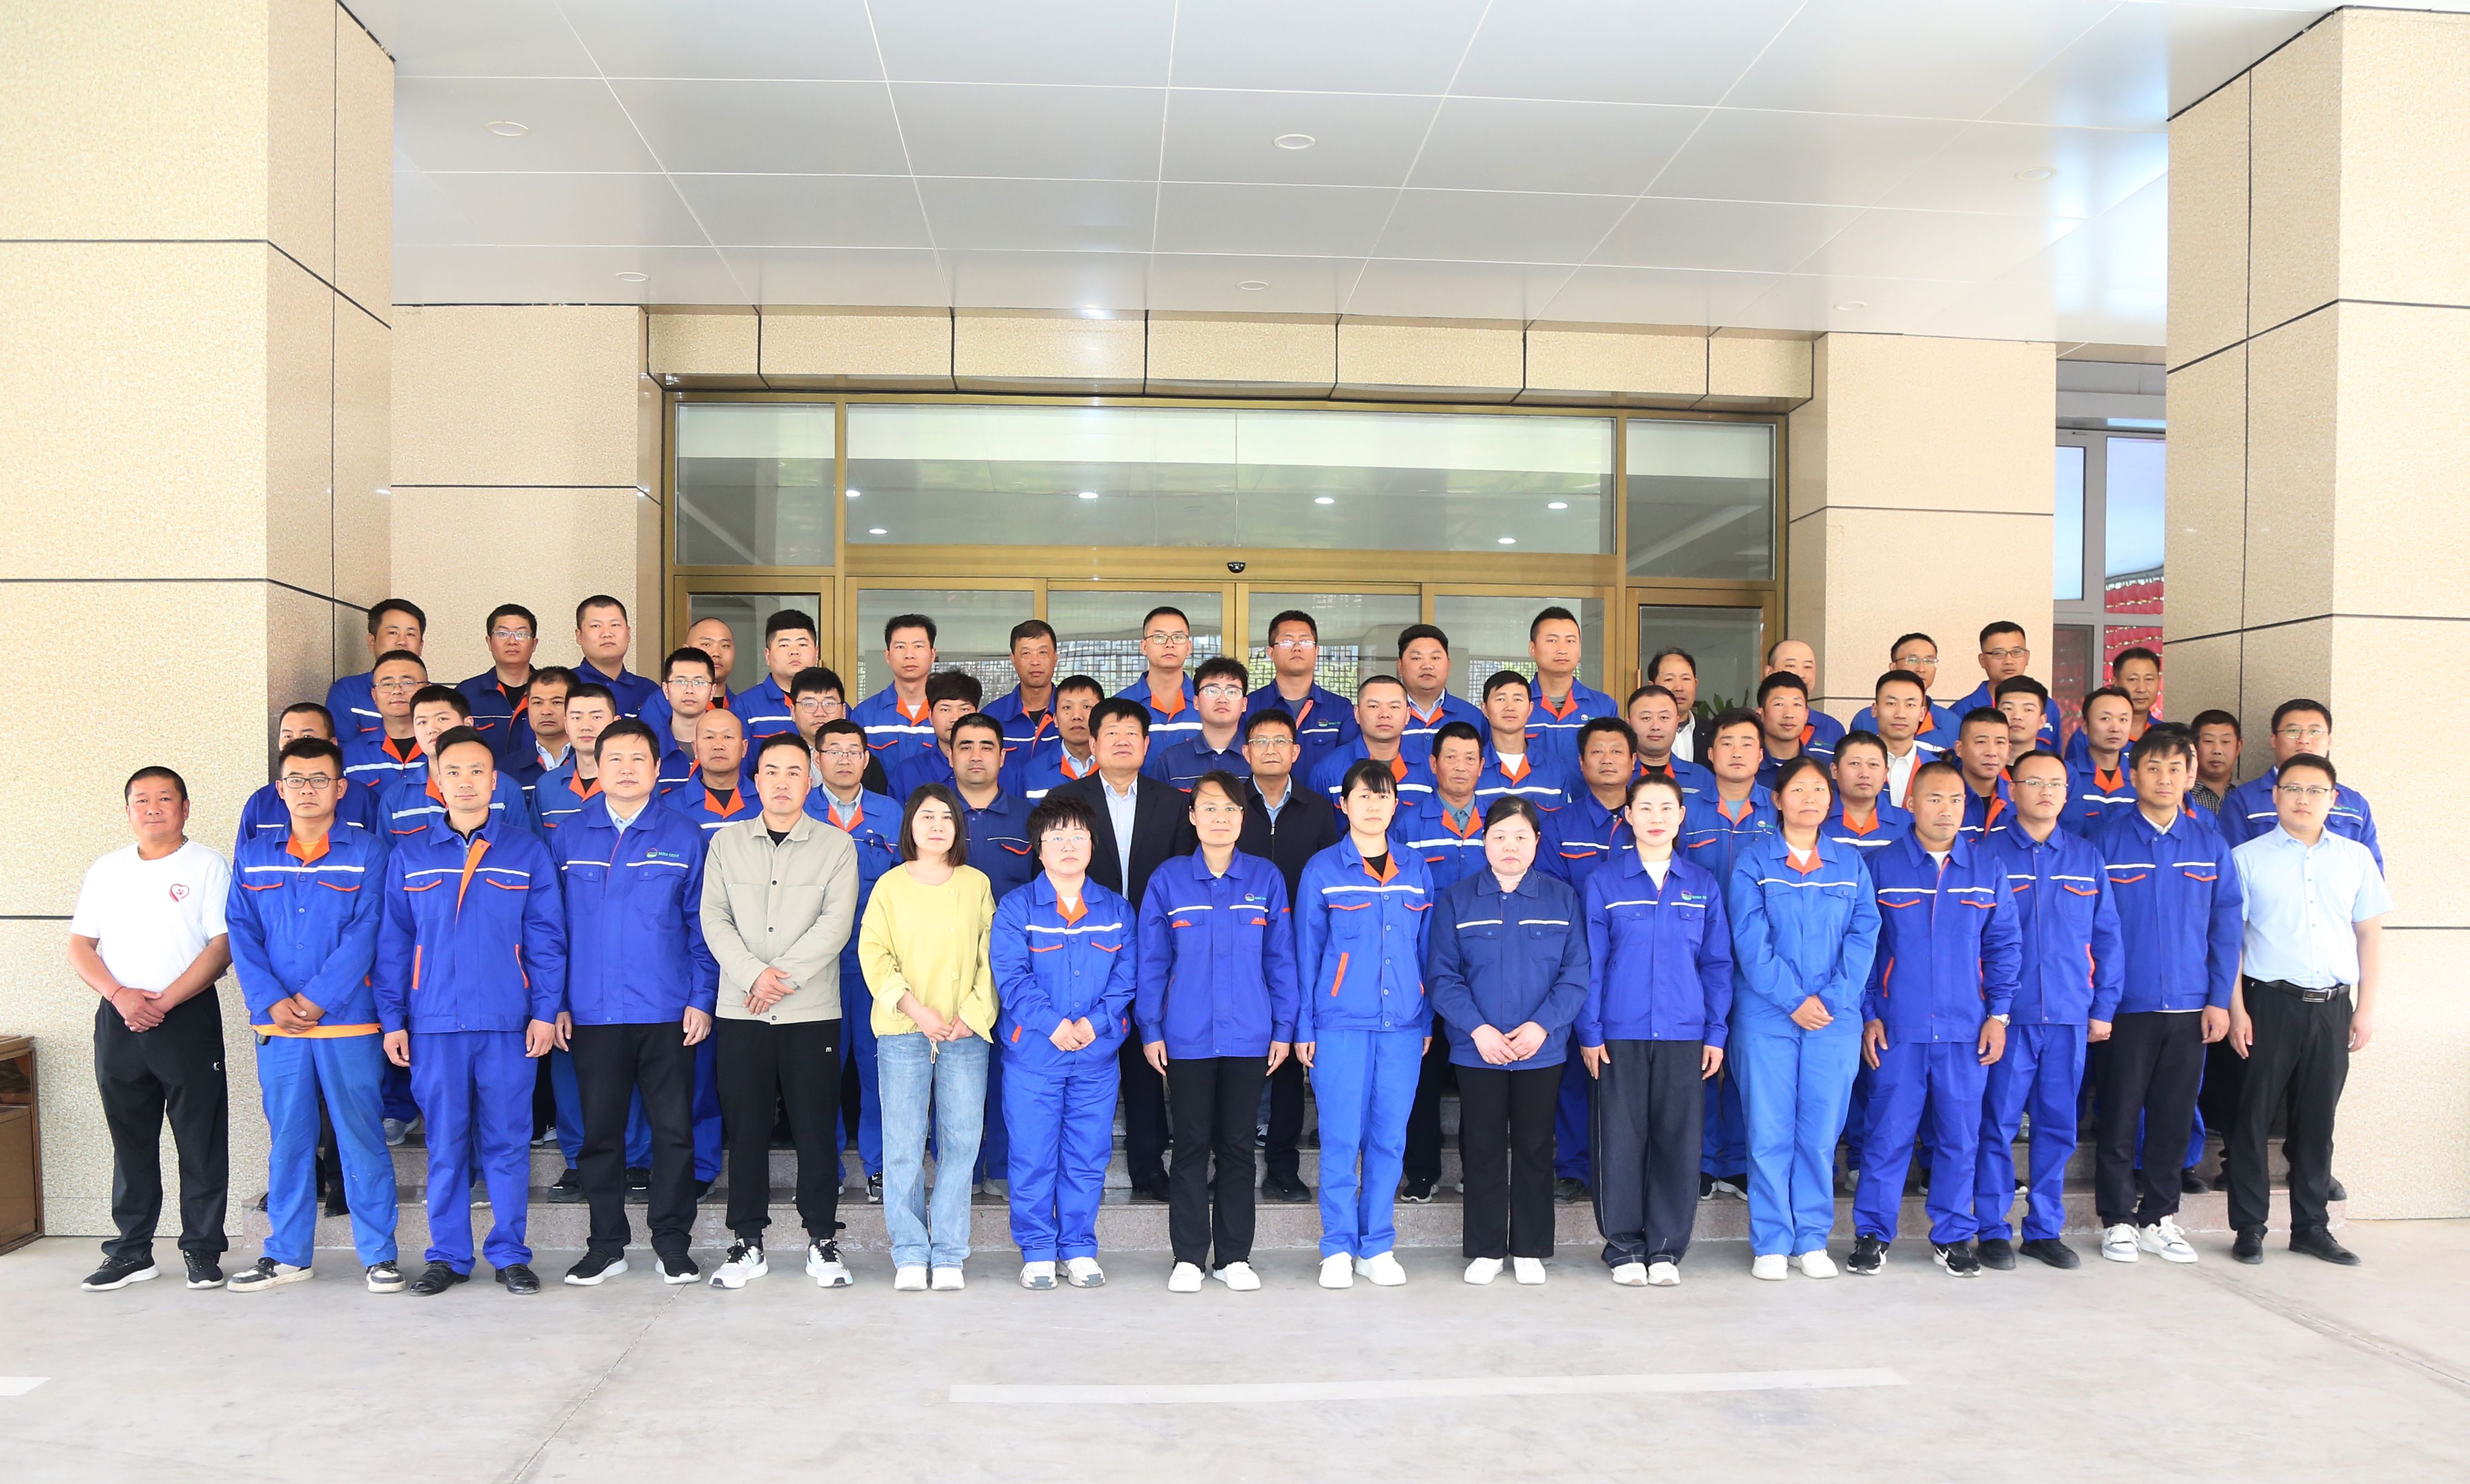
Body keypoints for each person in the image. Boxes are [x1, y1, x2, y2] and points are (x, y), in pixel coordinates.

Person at [374, 727, 564, 1297]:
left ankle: (510, 1254)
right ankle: (449, 1255)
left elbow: (547, 939)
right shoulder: (410, 854)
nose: (465, 782)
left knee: (507, 1142)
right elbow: (393, 945)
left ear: (495, 781)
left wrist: (544, 1011)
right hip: (434, 1024)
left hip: (508, 1023)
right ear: (437, 781)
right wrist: (393, 1020)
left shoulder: (526, 852)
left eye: (477, 771)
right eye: (453, 771)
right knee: (446, 1145)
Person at [222, 738, 398, 1293]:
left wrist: (320, 996)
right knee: (290, 1139)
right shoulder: (255, 853)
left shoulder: (369, 851)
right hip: (278, 1024)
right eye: (296, 779)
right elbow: (241, 930)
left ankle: (380, 1255)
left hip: (347, 1020)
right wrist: (271, 998)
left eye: (319, 779)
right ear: (280, 789)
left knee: (361, 1136)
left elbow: (369, 928)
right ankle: (287, 1254)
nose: (307, 789)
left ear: (340, 787)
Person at [546, 719, 717, 1287]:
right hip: (592, 1012)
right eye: (614, 758)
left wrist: (702, 997)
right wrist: (556, 1001)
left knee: (674, 1132)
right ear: (595, 765)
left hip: (668, 1011)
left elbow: (703, 925)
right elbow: (551, 929)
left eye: (638, 758)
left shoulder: (684, 835)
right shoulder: (570, 836)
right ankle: (606, 1244)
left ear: (657, 768)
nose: (625, 768)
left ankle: (672, 1243)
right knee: (600, 1135)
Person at [1848, 760, 2022, 1279]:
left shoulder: (1986, 869)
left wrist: (1999, 1014)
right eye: (1934, 798)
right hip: (1897, 1029)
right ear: (1910, 804)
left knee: (1959, 1137)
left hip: (1966, 1031)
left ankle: (1952, 1234)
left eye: (1955, 800)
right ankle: (1872, 1233)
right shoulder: (1881, 866)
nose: (1946, 810)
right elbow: (1864, 948)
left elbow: (2004, 946)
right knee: (1887, 1135)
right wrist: (1868, 1014)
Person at [701, 731, 860, 1292]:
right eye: (772, 771)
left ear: (810, 779)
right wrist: (753, 975)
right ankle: (747, 1240)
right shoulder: (726, 843)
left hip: (809, 1010)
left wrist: (778, 979)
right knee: (745, 1129)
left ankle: (822, 1237)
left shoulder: (836, 846)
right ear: (756, 779)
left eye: (794, 771)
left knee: (815, 1126)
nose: (782, 782)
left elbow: (835, 925)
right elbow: (713, 917)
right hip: (742, 1009)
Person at [69, 767, 235, 1292]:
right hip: (119, 1017)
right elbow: (80, 945)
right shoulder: (107, 869)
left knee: (200, 1138)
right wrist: (120, 995)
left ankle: (202, 1249)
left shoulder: (208, 864)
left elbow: (222, 945)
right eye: (141, 800)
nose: (153, 807)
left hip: (185, 1016)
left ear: (185, 807)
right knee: (130, 1138)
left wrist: (165, 1001)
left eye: (165, 798)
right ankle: (131, 1251)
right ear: (127, 811)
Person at [1138, 772, 1299, 1293]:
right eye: (1208, 808)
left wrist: (1283, 1026)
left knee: (1236, 1146)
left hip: (1249, 1034)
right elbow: (1152, 961)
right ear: (1192, 817)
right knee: (1189, 1145)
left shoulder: (1265, 879)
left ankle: (1233, 1257)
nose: (1220, 818)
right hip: (1185, 1035)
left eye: (1230, 808)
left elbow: (1280, 959)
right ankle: (1188, 1256)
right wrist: (1150, 1027)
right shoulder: (1167, 880)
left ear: (1243, 817)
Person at [2226, 753, 2387, 1266]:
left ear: (2332, 799)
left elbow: (2369, 935)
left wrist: (2365, 1008)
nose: (2303, 798)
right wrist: (2236, 1009)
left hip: (2333, 1006)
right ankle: (2249, 1227)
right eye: (2292, 788)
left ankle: (2311, 1227)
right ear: (2275, 796)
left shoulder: (2355, 859)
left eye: (2315, 790)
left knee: (2317, 1121)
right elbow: (2231, 943)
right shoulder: (2246, 858)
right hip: (2267, 1003)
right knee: (2251, 1118)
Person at [2091, 722, 2242, 1266]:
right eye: (2152, 767)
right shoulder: (2105, 840)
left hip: (2189, 1006)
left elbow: (2226, 928)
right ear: (2133, 775)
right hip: (2125, 1007)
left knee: (2174, 1116)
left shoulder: (2208, 843)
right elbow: (2091, 928)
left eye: (2174, 768)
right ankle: (2117, 1220)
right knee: (2119, 1116)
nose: (2163, 778)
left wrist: (2219, 999)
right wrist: (2100, 1003)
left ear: (2189, 775)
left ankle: (2159, 1216)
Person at [1727, 757, 1880, 1283]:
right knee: (1768, 1131)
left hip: (1833, 1019)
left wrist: (1832, 999)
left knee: (1819, 1133)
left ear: (1830, 799)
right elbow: (1749, 941)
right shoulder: (1753, 862)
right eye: (1797, 789)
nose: (1809, 798)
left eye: (1818, 789)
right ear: (1777, 799)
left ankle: (1810, 1238)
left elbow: (1864, 935)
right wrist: (1793, 999)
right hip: (1767, 1015)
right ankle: (1771, 1240)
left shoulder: (1849, 863)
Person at [1580, 773, 1733, 1286]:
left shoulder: (1701, 884)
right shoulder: (1604, 882)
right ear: (1627, 816)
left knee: (1677, 1142)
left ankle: (1666, 1248)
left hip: (1685, 1032)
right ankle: (1623, 1246)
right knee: (1619, 1141)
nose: (1655, 818)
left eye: (1666, 808)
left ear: (1681, 816)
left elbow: (1716, 965)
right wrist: (1590, 1031)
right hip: (1618, 1033)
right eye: (1644, 808)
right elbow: (1591, 963)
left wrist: (1715, 1032)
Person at [1974, 748, 2122, 1271]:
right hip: (2006, 1018)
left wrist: (2103, 1006)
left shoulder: (2085, 857)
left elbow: (2107, 937)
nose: (2044, 792)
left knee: (2057, 1125)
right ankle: (1992, 1228)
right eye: (2033, 782)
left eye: (2055, 784)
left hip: (2067, 1015)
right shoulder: (1985, 855)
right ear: (2011, 790)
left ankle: (2043, 1229)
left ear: (2066, 793)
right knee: (1996, 1123)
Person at [1426, 798, 1585, 1285]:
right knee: (1483, 1147)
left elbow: (1575, 974)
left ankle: (1530, 1247)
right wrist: (1478, 1029)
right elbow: (1442, 977)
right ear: (1484, 842)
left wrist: (1542, 1026)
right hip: (1478, 1049)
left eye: (1520, 837)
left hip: (1541, 1048)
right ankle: (1486, 1248)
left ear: (1536, 842)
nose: (1509, 846)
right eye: (1499, 836)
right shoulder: (1457, 899)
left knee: (1536, 1146)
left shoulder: (1562, 899)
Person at [1294, 762, 1434, 1290]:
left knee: (1388, 1138)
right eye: (1363, 796)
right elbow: (1306, 952)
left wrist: (1424, 1016)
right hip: (1339, 1025)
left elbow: (1426, 950)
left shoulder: (1415, 868)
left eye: (1383, 796)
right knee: (1340, 1137)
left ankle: (1376, 1245)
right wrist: (1304, 1025)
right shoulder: (1322, 870)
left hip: (1402, 1025)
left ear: (1395, 805)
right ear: (1344, 804)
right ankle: (1337, 1246)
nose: (1373, 806)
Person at [1053, 698, 1197, 1202]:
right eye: (1110, 732)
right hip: (1082, 948)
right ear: (1092, 742)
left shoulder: (1173, 803)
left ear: (1146, 744)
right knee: (1080, 1052)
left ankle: (1148, 1166)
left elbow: (1183, 879)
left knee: (1145, 1058)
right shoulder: (1065, 800)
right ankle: (1070, 1170)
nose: (1121, 740)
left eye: (1131, 732)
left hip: (1155, 948)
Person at [992, 796, 1136, 1291]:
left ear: (1093, 845)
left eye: (1078, 836)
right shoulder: (1017, 908)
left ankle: (1077, 1247)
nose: (1068, 845)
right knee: (1033, 1154)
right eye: (1056, 837)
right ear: (1038, 848)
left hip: (1096, 1056)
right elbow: (1011, 976)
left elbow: (1126, 977)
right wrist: (1052, 1024)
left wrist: (1095, 1024)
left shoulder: (1115, 909)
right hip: (1035, 1055)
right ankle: (1036, 1249)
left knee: (1087, 1154)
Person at [860, 785, 998, 1291]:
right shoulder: (890, 885)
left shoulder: (976, 883)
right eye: (926, 816)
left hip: (964, 1032)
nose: (937, 825)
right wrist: (915, 1010)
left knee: (960, 1142)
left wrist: (971, 1015)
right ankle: (910, 1251)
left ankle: (949, 1252)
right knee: (902, 1144)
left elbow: (991, 956)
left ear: (958, 827)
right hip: (904, 1029)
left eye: (946, 817)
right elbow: (874, 953)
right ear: (910, 826)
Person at [1234, 708, 1342, 1205]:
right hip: (1237, 947)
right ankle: (1230, 1163)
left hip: (1298, 949)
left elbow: (1333, 880)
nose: (1271, 749)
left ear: (1296, 751)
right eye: (1261, 741)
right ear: (1246, 751)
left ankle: (1282, 1165)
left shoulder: (1318, 810)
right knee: (1238, 1056)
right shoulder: (1229, 805)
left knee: (1288, 1053)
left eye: (1281, 741)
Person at [1538, 716, 1642, 1200]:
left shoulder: (1650, 817)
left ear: (1633, 761)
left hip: (1638, 963)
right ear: (1581, 763)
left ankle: (1626, 1166)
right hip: (1575, 965)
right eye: (1597, 751)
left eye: (1616, 751)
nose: (1607, 759)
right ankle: (1574, 1165)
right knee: (1576, 1070)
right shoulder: (1560, 825)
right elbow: (1552, 898)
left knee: (1630, 1067)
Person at [808, 718, 903, 1202]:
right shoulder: (799, 810)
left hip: (875, 967)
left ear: (866, 759)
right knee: (818, 1074)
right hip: (813, 967)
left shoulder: (892, 813)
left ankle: (880, 1166)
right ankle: (822, 1168)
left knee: (877, 1069)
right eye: (833, 750)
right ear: (817, 758)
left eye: (853, 751)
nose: (844, 759)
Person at [943, 713, 1036, 1193]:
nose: (976, 755)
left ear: (1003, 756)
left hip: (1015, 967)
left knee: (1008, 1068)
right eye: (965, 746)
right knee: (952, 1065)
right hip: (948, 965)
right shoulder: (934, 815)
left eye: (986, 746)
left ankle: (1000, 1167)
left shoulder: (1028, 818)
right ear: (950, 754)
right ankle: (956, 1170)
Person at [2218, 700, 2381, 863]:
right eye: (2293, 731)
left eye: (2315, 732)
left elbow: (2371, 868)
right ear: (2274, 740)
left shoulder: (2355, 803)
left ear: (2329, 741)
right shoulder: (2243, 800)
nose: (2304, 740)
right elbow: (2233, 866)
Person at [382, 685, 536, 837]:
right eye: (422, 722)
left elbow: (521, 846)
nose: (432, 729)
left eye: (442, 719)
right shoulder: (395, 797)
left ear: (468, 724)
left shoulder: (506, 788)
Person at [237, 702, 383, 847]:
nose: (296, 742)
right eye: (288, 736)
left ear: (333, 743)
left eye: (307, 736)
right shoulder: (261, 801)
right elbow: (245, 857)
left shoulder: (364, 799)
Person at [1247, 610, 1358, 782]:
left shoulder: (1341, 709)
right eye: (1287, 642)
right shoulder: (1249, 706)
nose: (1297, 648)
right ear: (1271, 653)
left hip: (1323, 800)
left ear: (1317, 651)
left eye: (1305, 642)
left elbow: (1348, 768)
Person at [1308, 675, 1436, 807]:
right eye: (1374, 706)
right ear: (1357, 714)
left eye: (1394, 707)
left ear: (1408, 715)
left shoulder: (1431, 769)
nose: (1384, 714)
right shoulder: (1328, 770)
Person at [1526, 606, 1616, 778]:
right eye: (1552, 640)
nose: (1562, 649)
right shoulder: (1516, 706)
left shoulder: (1604, 707)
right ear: (1533, 648)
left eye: (1571, 641)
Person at [328, 598, 426, 744]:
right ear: (372, 641)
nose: (402, 641)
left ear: (421, 645)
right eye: (393, 632)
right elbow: (341, 750)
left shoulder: (439, 697)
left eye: (411, 634)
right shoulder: (347, 692)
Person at [1146, 656, 1252, 790]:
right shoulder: (1170, 760)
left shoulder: (1257, 758)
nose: (1222, 699)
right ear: (1196, 702)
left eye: (1232, 692)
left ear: (1244, 704)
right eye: (1212, 691)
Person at [851, 612, 940, 770]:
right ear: (887, 656)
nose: (909, 655)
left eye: (918, 646)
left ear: (932, 654)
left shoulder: (949, 712)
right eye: (900, 647)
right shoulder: (865, 715)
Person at [790, 665, 894, 796]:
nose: (820, 713)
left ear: (844, 711)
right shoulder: (781, 758)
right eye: (809, 704)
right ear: (793, 712)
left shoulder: (865, 763)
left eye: (829, 704)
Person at [883, 670, 985, 803]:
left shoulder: (995, 768)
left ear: (977, 714)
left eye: (964, 709)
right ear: (930, 717)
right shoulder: (908, 772)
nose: (955, 718)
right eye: (945, 710)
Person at [1476, 670, 1570, 812]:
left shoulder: (1555, 769)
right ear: (1484, 709)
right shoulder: (1472, 767)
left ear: (1530, 708)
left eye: (1518, 700)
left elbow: (1566, 822)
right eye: (1501, 699)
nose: (1510, 707)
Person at [638, 614, 739, 745]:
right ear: (687, 649)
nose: (716, 653)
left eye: (725, 646)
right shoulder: (660, 703)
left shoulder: (740, 705)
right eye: (707, 644)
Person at [340, 650, 430, 796]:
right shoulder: (350, 755)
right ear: (374, 696)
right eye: (387, 684)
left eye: (408, 683)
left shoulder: (447, 749)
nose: (397, 691)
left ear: (428, 691)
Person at [458, 604, 540, 760]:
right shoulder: (467, 693)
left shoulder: (551, 692)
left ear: (534, 644)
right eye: (502, 634)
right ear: (489, 642)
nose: (512, 641)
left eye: (521, 634)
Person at [1850, 633, 1959, 750]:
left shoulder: (1952, 723)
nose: (1921, 669)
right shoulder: (1865, 719)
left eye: (1929, 661)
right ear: (1893, 667)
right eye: (1912, 660)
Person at [730, 609, 822, 744]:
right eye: (784, 645)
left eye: (802, 644)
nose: (794, 652)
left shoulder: (833, 705)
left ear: (817, 652)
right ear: (768, 656)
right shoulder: (745, 706)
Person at [1009, 673, 1105, 802]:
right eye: (1067, 707)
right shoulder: (1033, 772)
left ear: (1102, 717)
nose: (1077, 716)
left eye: (1087, 707)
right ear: (1055, 720)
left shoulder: (1117, 766)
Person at [1397, 624, 1485, 764]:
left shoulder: (1473, 717)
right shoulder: (1385, 716)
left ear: (1448, 665)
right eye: (1417, 658)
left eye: (1435, 658)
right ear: (1400, 666)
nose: (1427, 666)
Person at [534, 684, 616, 832]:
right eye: (577, 718)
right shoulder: (547, 785)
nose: (586, 726)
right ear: (566, 725)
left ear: (615, 723)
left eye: (596, 717)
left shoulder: (633, 781)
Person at [1956, 624, 2055, 746]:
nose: (2009, 661)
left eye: (2017, 652)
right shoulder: (1961, 710)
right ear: (1983, 661)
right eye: (1998, 653)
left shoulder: (2049, 706)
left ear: (2027, 657)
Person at [665, 709, 761, 834]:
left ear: (744, 748)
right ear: (695, 749)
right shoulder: (671, 806)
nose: (718, 746)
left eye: (728, 737)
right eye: (709, 737)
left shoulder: (764, 801)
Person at [985, 618, 1062, 773]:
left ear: (1055, 657)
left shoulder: (1073, 715)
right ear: (1013, 659)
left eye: (1043, 653)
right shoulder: (991, 717)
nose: (1035, 662)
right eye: (1026, 654)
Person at [1121, 605, 1203, 748]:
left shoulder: (1207, 703)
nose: (1170, 644)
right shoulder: (1121, 704)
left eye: (1178, 637)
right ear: (1144, 647)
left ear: (1189, 647)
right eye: (1159, 637)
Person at [2063, 688, 2140, 836]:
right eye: (2105, 719)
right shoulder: (2065, 774)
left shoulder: (2141, 777)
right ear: (2086, 727)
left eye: (2123, 720)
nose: (2115, 728)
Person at [1822, 731, 1910, 857]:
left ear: (1885, 773)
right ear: (1835, 771)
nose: (1864, 774)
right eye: (1855, 764)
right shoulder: (1816, 819)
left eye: (1873, 765)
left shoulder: (1908, 824)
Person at [573, 595, 658, 719]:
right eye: (596, 626)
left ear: (628, 633)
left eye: (615, 625)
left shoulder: (649, 691)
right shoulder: (565, 687)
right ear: (579, 636)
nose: (607, 634)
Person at [1625, 684, 1715, 801]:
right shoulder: (1617, 776)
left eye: (1664, 718)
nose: (1656, 727)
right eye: (1646, 718)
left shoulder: (1701, 777)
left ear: (1677, 722)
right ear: (1629, 724)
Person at [1866, 669, 1941, 807]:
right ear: (1875, 710)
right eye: (1891, 703)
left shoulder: (1937, 769)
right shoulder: (1856, 765)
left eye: (1910, 705)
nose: (1900, 714)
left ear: (1922, 713)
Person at [652, 647, 723, 789]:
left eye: (699, 683)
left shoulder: (725, 748)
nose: (689, 690)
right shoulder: (650, 749)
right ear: (666, 690)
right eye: (680, 682)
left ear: (712, 691)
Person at [504, 666, 576, 805]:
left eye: (557, 702)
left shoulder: (592, 764)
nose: (546, 711)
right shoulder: (507, 769)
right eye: (538, 703)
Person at [1764, 640, 1847, 759]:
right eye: (1791, 666)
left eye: (1808, 667)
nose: (1801, 674)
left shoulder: (1833, 728)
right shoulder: (1750, 729)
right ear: (1769, 672)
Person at [1751, 672, 1824, 789]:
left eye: (1797, 705)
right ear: (1761, 715)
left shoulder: (1821, 769)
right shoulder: (1746, 767)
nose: (1789, 714)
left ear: (1807, 715)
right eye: (1779, 704)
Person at [1950, 708, 2013, 842]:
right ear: (1959, 749)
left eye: (2000, 743)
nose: (1992, 752)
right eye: (1981, 742)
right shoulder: (1941, 799)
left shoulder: (2019, 799)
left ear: (2009, 750)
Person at [1644, 649, 1709, 764]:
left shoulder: (1712, 732)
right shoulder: (1639, 733)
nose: (1679, 688)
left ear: (1695, 684)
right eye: (1669, 679)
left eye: (1686, 679)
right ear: (1652, 687)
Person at [2189, 709, 2241, 815]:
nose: (2217, 751)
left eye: (2225, 742)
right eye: (2209, 741)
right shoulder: (2181, 796)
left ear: (2239, 747)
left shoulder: (2248, 795)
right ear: (2193, 746)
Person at [1995, 676, 2059, 758]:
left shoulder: (2057, 766)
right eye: (2008, 708)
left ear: (2042, 721)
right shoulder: (1980, 765)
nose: (2017, 716)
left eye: (2028, 710)